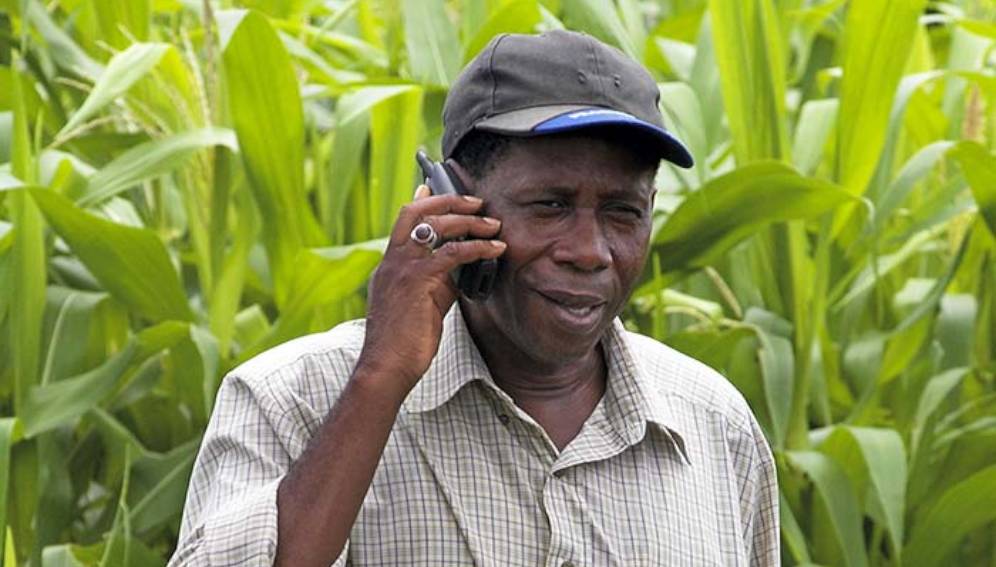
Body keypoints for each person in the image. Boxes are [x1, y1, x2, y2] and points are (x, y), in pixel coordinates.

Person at [169, 30, 779, 567]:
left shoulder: (713, 426)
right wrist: (381, 376)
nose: (591, 251)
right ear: (451, 200)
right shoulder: (291, 400)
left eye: (623, 213)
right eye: (551, 205)